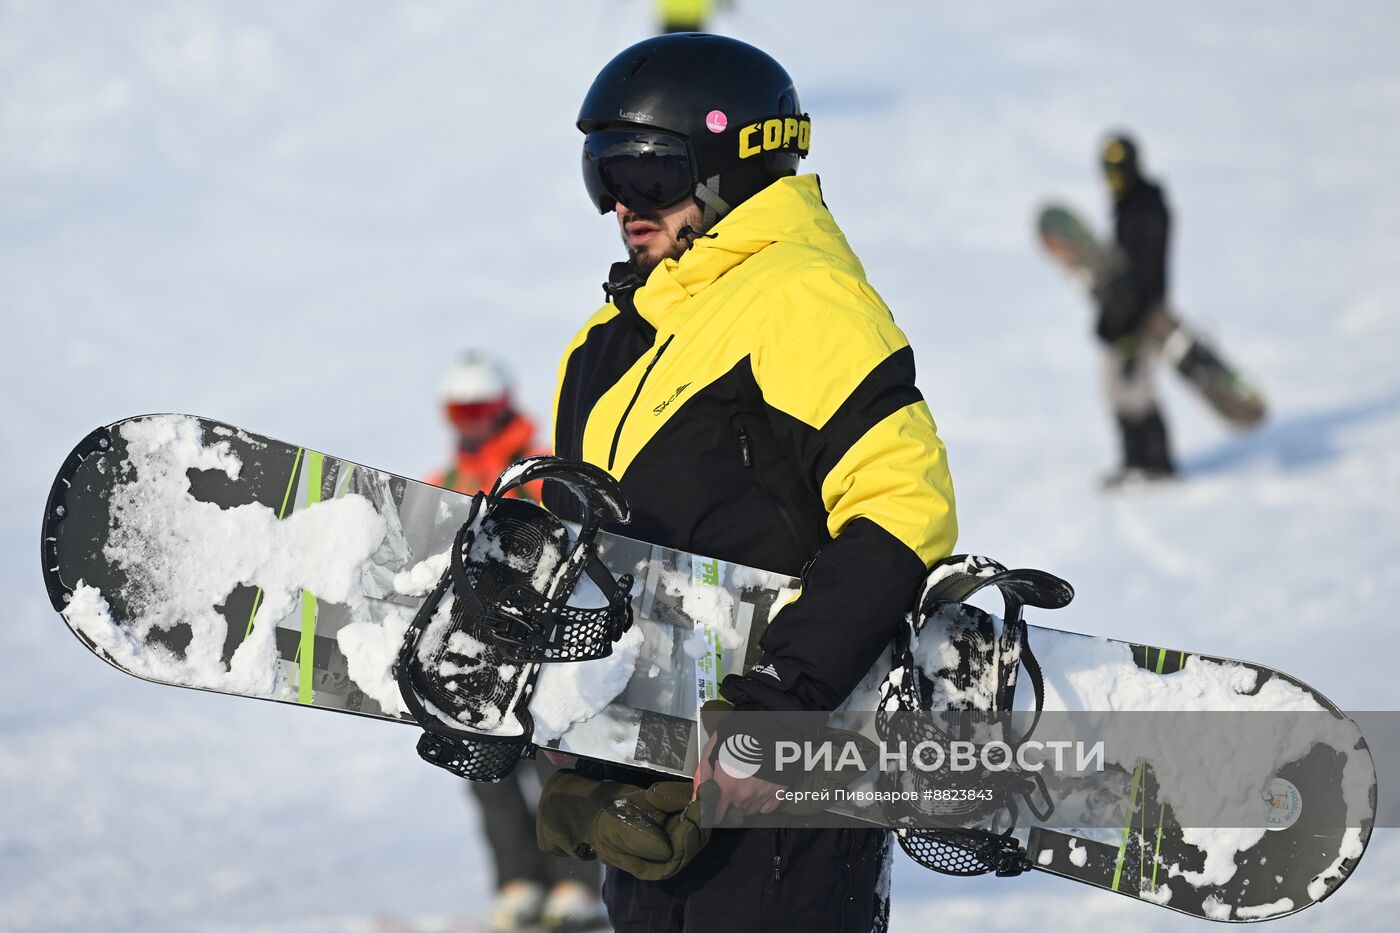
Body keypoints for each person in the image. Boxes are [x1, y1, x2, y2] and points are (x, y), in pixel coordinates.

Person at [537, 33, 958, 932]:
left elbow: (903, 506)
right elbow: (586, 552)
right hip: (646, 788)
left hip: (787, 794)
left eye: (647, 175)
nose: (620, 205)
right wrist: (553, 709)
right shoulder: (604, 345)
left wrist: (777, 709)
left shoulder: (803, 300)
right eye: (601, 175)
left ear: (733, 167)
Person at [428, 352, 605, 932]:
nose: (469, 420)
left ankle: (577, 884)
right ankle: (518, 881)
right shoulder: (447, 481)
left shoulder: (537, 467)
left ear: (501, 405)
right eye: (459, 409)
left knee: (552, 763)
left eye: (479, 407)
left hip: (540, 641)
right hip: (473, 650)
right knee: (487, 767)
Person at [1096, 132, 1176, 484]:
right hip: (1127, 312)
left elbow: (1144, 270)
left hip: (1138, 315)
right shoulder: (1131, 204)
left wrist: (1127, 317)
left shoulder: (1142, 207)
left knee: (1135, 387)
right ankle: (1137, 461)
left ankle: (1156, 463)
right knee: (1119, 387)